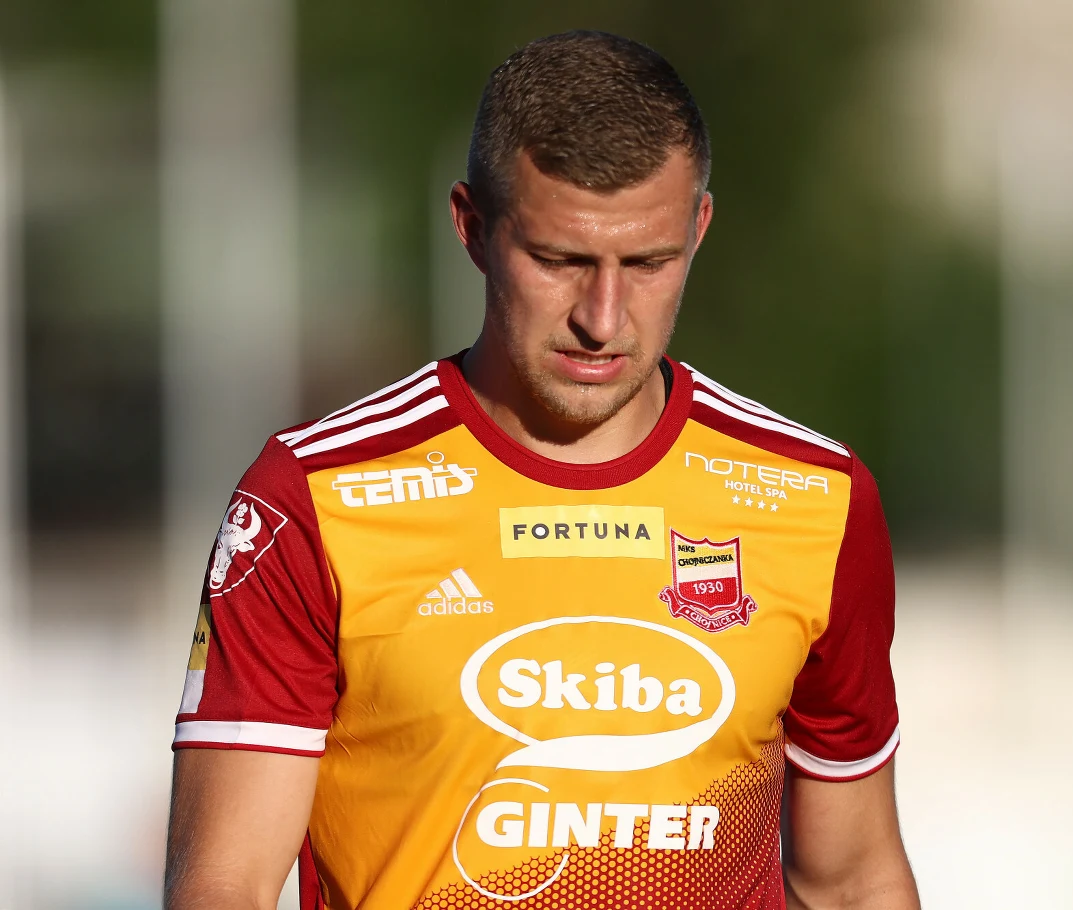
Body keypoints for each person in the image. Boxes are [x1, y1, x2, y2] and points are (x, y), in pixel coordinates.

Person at [164, 30, 920, 910]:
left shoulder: (817, 500)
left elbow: (853, 880)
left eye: (648, 263)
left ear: (698, 229)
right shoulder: (314, 499)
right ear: (473, 229)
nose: (603, 317)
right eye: (561, 261)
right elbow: (227, 882)